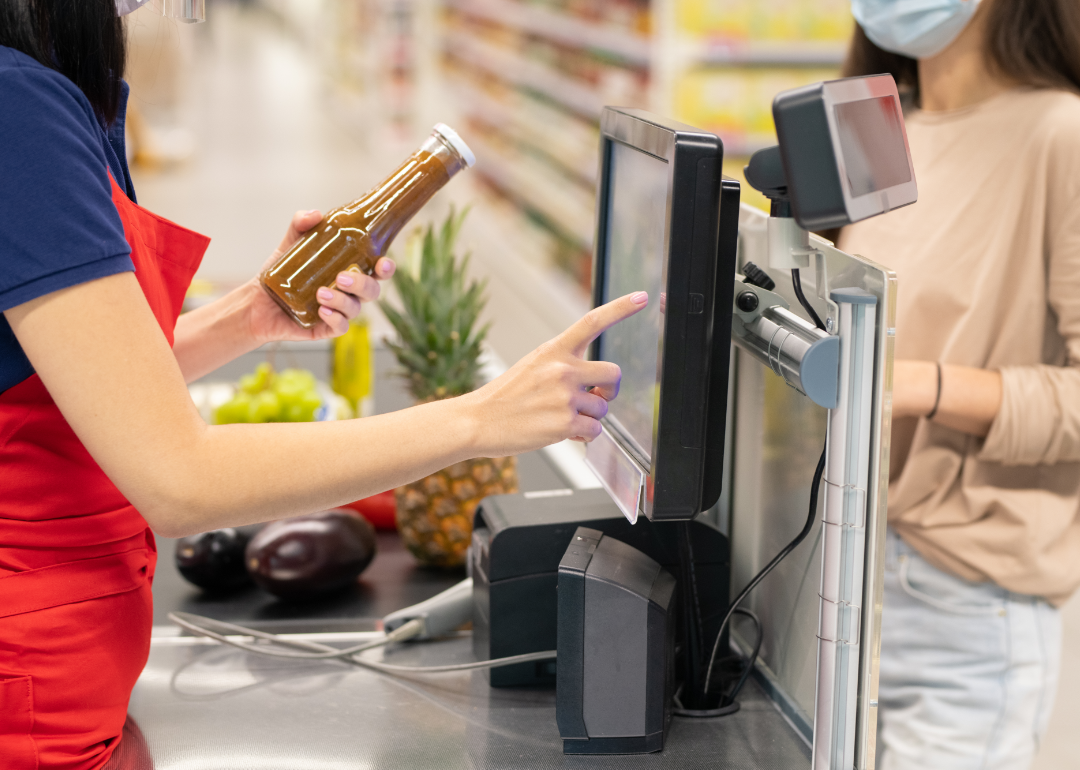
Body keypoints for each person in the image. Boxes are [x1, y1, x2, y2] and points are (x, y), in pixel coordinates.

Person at [0, 2, 643, 768]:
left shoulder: (46, 89)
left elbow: (72, 381)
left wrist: (251, 316)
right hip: (30, 688)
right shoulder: (19, 111)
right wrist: (478, 419)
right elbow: (177, 480)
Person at [839, 0, 1080, 767]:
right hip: (837, 572)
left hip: (961, 616)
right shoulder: (873, 120)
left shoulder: (1060, 135)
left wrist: (917, 386)